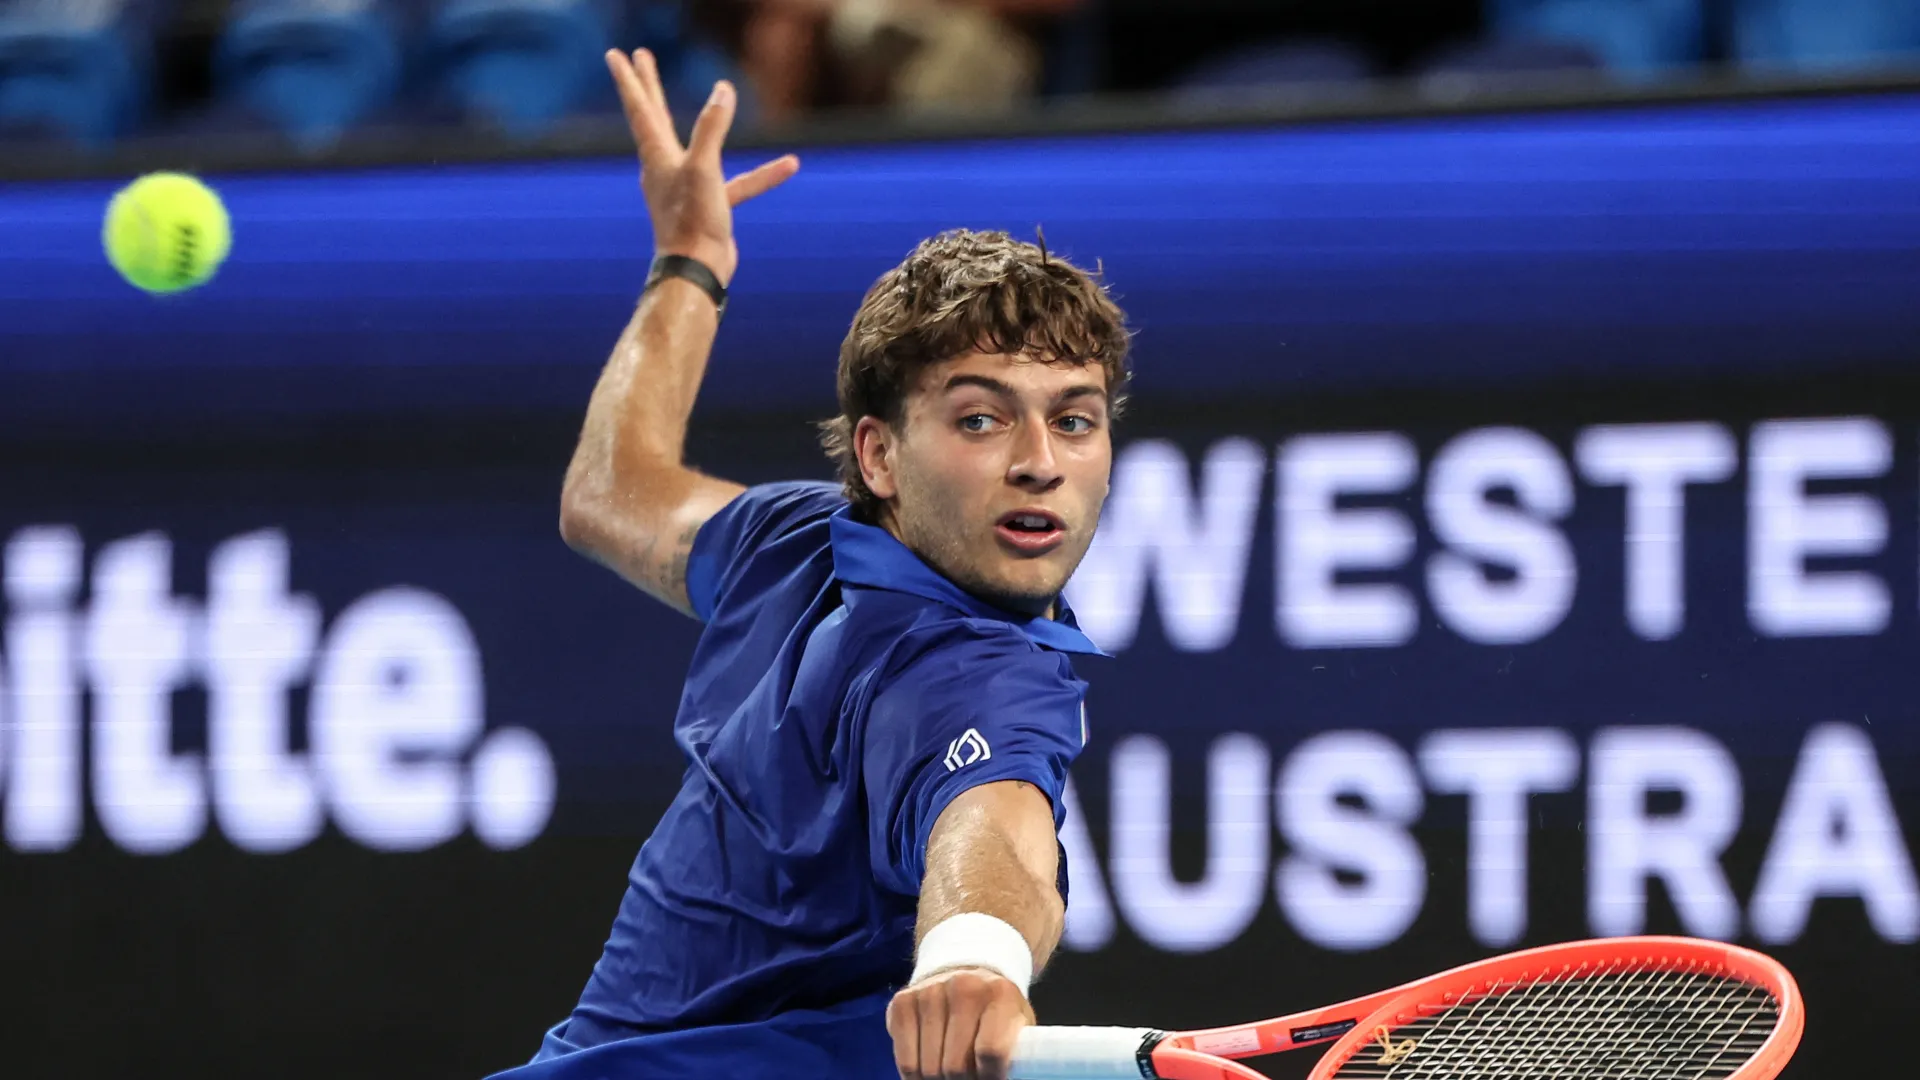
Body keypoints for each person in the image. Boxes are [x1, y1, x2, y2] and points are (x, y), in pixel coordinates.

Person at [487, 46, 1130, 1080]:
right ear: (879, 455)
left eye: (1074, 420)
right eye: (981, 418)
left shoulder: (807, 548)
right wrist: (975, 955)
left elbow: (611, 491)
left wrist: (688, 263)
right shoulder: (949, 647)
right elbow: (994, 827)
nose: (1039, 463)